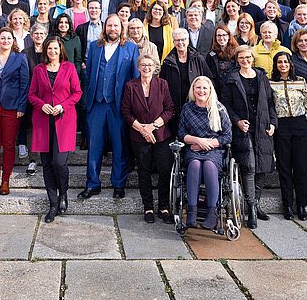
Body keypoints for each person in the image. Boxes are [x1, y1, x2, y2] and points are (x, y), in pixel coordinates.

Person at [78, 14, 139, 199]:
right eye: (110, 25)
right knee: (94, 146)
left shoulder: (130, 47)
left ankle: (118, 184)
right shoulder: (94, 47)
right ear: (105, 28)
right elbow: (88, 72)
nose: (113, 29)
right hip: (97, 103)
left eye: (116, 26)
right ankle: (93, 183)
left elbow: (134, 77)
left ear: (122, 28)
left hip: (118, 104)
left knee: (119, 145)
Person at [221, 45, 277, 229]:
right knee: (250, 166)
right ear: (237, 59)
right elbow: (226, 104)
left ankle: (256, 203)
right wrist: (236, 121)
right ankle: (251, 207)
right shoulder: (231, 78)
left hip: (262, 127)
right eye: (241, 58)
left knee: (261, 167)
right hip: (243, 129)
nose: (245, 60)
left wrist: (273, 123)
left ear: (253, 58)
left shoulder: (261, 77)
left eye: (248, 57)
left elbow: (270, 102)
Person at [29, 36, 83, 222]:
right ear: (45, 50)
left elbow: (77, 93)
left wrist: (62, 106)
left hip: (64, 119)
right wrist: (41, 104)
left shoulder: (68, 68)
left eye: (55, 48)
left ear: (61, 50)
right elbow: (32, 94)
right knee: (47, 164)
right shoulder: (38, 70)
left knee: (59, 162)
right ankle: (52, 203)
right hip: (43, 121)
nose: (52, 52)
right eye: (49, 49)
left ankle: (63, 194)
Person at [121, 54, 176, 224]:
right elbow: (126, 112)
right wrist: (142, 129)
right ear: (138, 67)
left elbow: (169, 110)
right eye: (143, 65)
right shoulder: (131, 86)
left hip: (161, 135)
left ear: (155, 68)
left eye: (149, 65)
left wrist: (153, 126)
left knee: (164, 170)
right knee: (143, 171)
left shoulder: (162, 84)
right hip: (138, 135)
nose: (146, 68)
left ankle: (164, 207)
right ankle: (148, 207)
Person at [177, 76, 232, 229]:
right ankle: (192, 211)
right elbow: (181, 134)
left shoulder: (219, 109)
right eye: (198, 88)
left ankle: (212, 212)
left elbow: (227, 136)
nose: (201, 91)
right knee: (194, 165)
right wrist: (197, 141)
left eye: (204, 88)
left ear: (210, 91)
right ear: (193, 90)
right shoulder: (187, 108)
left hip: (213, 150)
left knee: (208, 165)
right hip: (193, 149)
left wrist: (206, 144)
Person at [0, 28, 30, 196]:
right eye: (2, 38)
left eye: (8, 38)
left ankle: (5, 180)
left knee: (9, 145)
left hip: (12, 107)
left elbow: (25, 84)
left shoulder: (20, 58)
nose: (5, 41)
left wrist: (21, 107)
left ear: (13, 40)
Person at [269, 52, 307, 220]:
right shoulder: (270, 83)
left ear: (290, 63)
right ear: (276, 65)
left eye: (285, 62)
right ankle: (287, 204)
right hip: (282, 126)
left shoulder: (300, 80)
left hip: (300, 124)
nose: (283, 65)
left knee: (301, 167)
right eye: (279, 62)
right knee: (285, 166)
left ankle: (301, 205)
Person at [160, 28, 212, 129]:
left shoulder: (198, 58)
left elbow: (209, 80)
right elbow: (163, 86)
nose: (180, 43)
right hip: (175, 106)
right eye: (177, 40)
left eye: (183, 39)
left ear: (188, 41)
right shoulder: (167, 61)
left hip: (196, 104)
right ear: (173, 42)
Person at [206, 24, 238, 93]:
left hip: (234, 88)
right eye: (219, 35)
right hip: (218, 90)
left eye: (224, 35)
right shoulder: (211, 55)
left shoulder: (236, 53)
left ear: (229, 36)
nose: (221, 38)